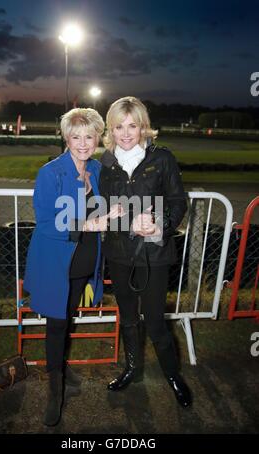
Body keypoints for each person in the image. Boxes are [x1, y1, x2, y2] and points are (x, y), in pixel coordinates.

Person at [99, 96, 192, 408]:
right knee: (127, 318)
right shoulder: (105, 163)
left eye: (133, 125)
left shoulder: (162, 158)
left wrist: (159, 223)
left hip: (154, 254)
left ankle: (172, 375)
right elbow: (102, 209)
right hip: (119, 253)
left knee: (154, 320)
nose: (126, 133)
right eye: (119, 126)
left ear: (143, 127)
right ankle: (132, 369)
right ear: (111, 129)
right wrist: (124, 221)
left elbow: (179, 202)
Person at [24, 108, 114, 426]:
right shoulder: (51, 172)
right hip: (56, 264)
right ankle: (54, 391)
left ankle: (62, 367)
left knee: (69, 317)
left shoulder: (99, 170)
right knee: (57, 324)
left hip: (85, 263)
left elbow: (114, 203)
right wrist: (93, 224)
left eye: (89, 136)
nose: (82, 143)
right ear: (66, 137)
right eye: (75, 136)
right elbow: (47, 224)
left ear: (97, 138)